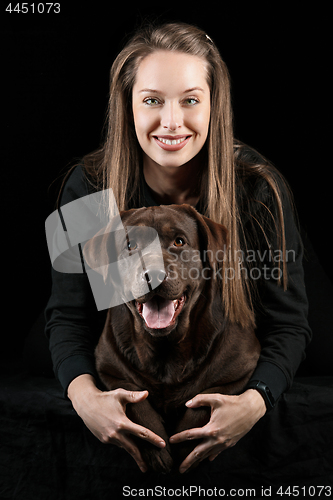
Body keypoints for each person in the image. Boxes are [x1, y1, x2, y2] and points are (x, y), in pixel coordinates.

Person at [44, 22, 311, 475]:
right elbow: (69, 314)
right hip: (122, 342)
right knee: (44, 349)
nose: (172, 122)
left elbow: (288, 322)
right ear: (126, 106)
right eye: (152, 100)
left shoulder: (256, 187)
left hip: (233, 333)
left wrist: (256, 399)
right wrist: (84, 395)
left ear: (214, 106)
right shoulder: (89, 186)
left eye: (190, 100)